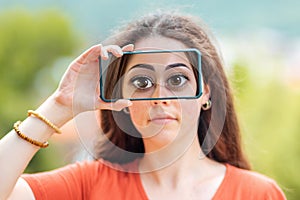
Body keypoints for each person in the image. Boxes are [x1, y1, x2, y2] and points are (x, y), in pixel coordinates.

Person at [0, 11, 286, 200]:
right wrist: (60, 104)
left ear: (205, 93)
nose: (161, 96)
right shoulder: (89, 184)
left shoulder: (257, 193)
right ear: (122, 103)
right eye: (142, 83)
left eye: (177, 79)